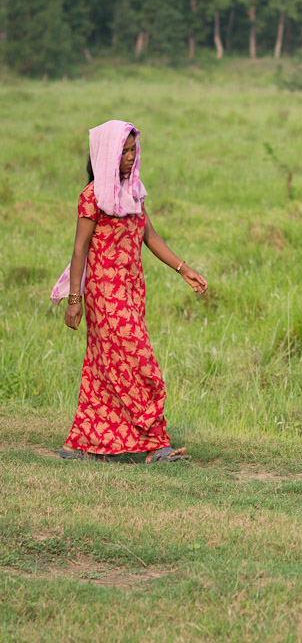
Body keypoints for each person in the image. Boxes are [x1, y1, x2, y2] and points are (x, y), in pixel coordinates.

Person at [50, 120, 208, 463]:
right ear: (105, 154)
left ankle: (86, 444)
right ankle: (155, 444)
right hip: (105, 292)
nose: (129, 157)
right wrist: (74, 302)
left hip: (132, 290)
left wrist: (185, 269)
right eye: (122, 151)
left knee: (104, 366)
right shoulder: (93, 197)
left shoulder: (133, 190)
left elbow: (149, 236)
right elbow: (80, 250)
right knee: (142, 362)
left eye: (133, 150)